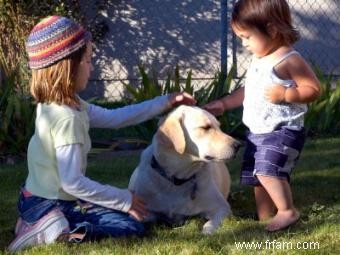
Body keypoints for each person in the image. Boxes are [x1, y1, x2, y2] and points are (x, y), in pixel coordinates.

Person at [8, 16, 196, 252]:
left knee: (127, 215)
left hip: (32, 199)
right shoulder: (68, 118)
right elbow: (73, 182)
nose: (92, 67)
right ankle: (53, 231)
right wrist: (124, 199)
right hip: (53, 203)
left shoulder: (57, 105)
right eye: (88, 60)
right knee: (130, 226)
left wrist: (165, 101)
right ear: (68, 67)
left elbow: (116, 117)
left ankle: (36, 222)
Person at [204, 0, 321, 232]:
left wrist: (286, 94)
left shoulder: (288, 59)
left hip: (282, 131)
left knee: (268, 172)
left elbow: (313, 89)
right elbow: (249, 91)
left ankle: (287, 211)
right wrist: (224, 103)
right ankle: (265, 216)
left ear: (272, 29)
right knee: (257, 177)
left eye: (247, 37)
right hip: (258, 131)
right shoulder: (259, 59)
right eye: (240, 37)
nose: (243, 43)